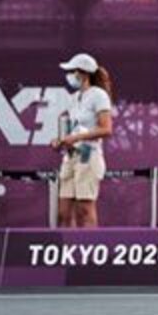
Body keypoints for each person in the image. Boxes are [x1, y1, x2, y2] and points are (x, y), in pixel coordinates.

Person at [53, 54, 115, 228]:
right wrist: (61, 141)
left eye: (73, 71)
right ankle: (68, 249)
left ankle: (89, 249)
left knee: (85, 210)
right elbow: (72, 127)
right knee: (63, 213)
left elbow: (106, 129)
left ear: (84, 73)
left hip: (89, 156)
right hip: (70, 157)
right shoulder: (74, 98)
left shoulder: (99, 95)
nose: (70, 75)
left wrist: (77, 137)